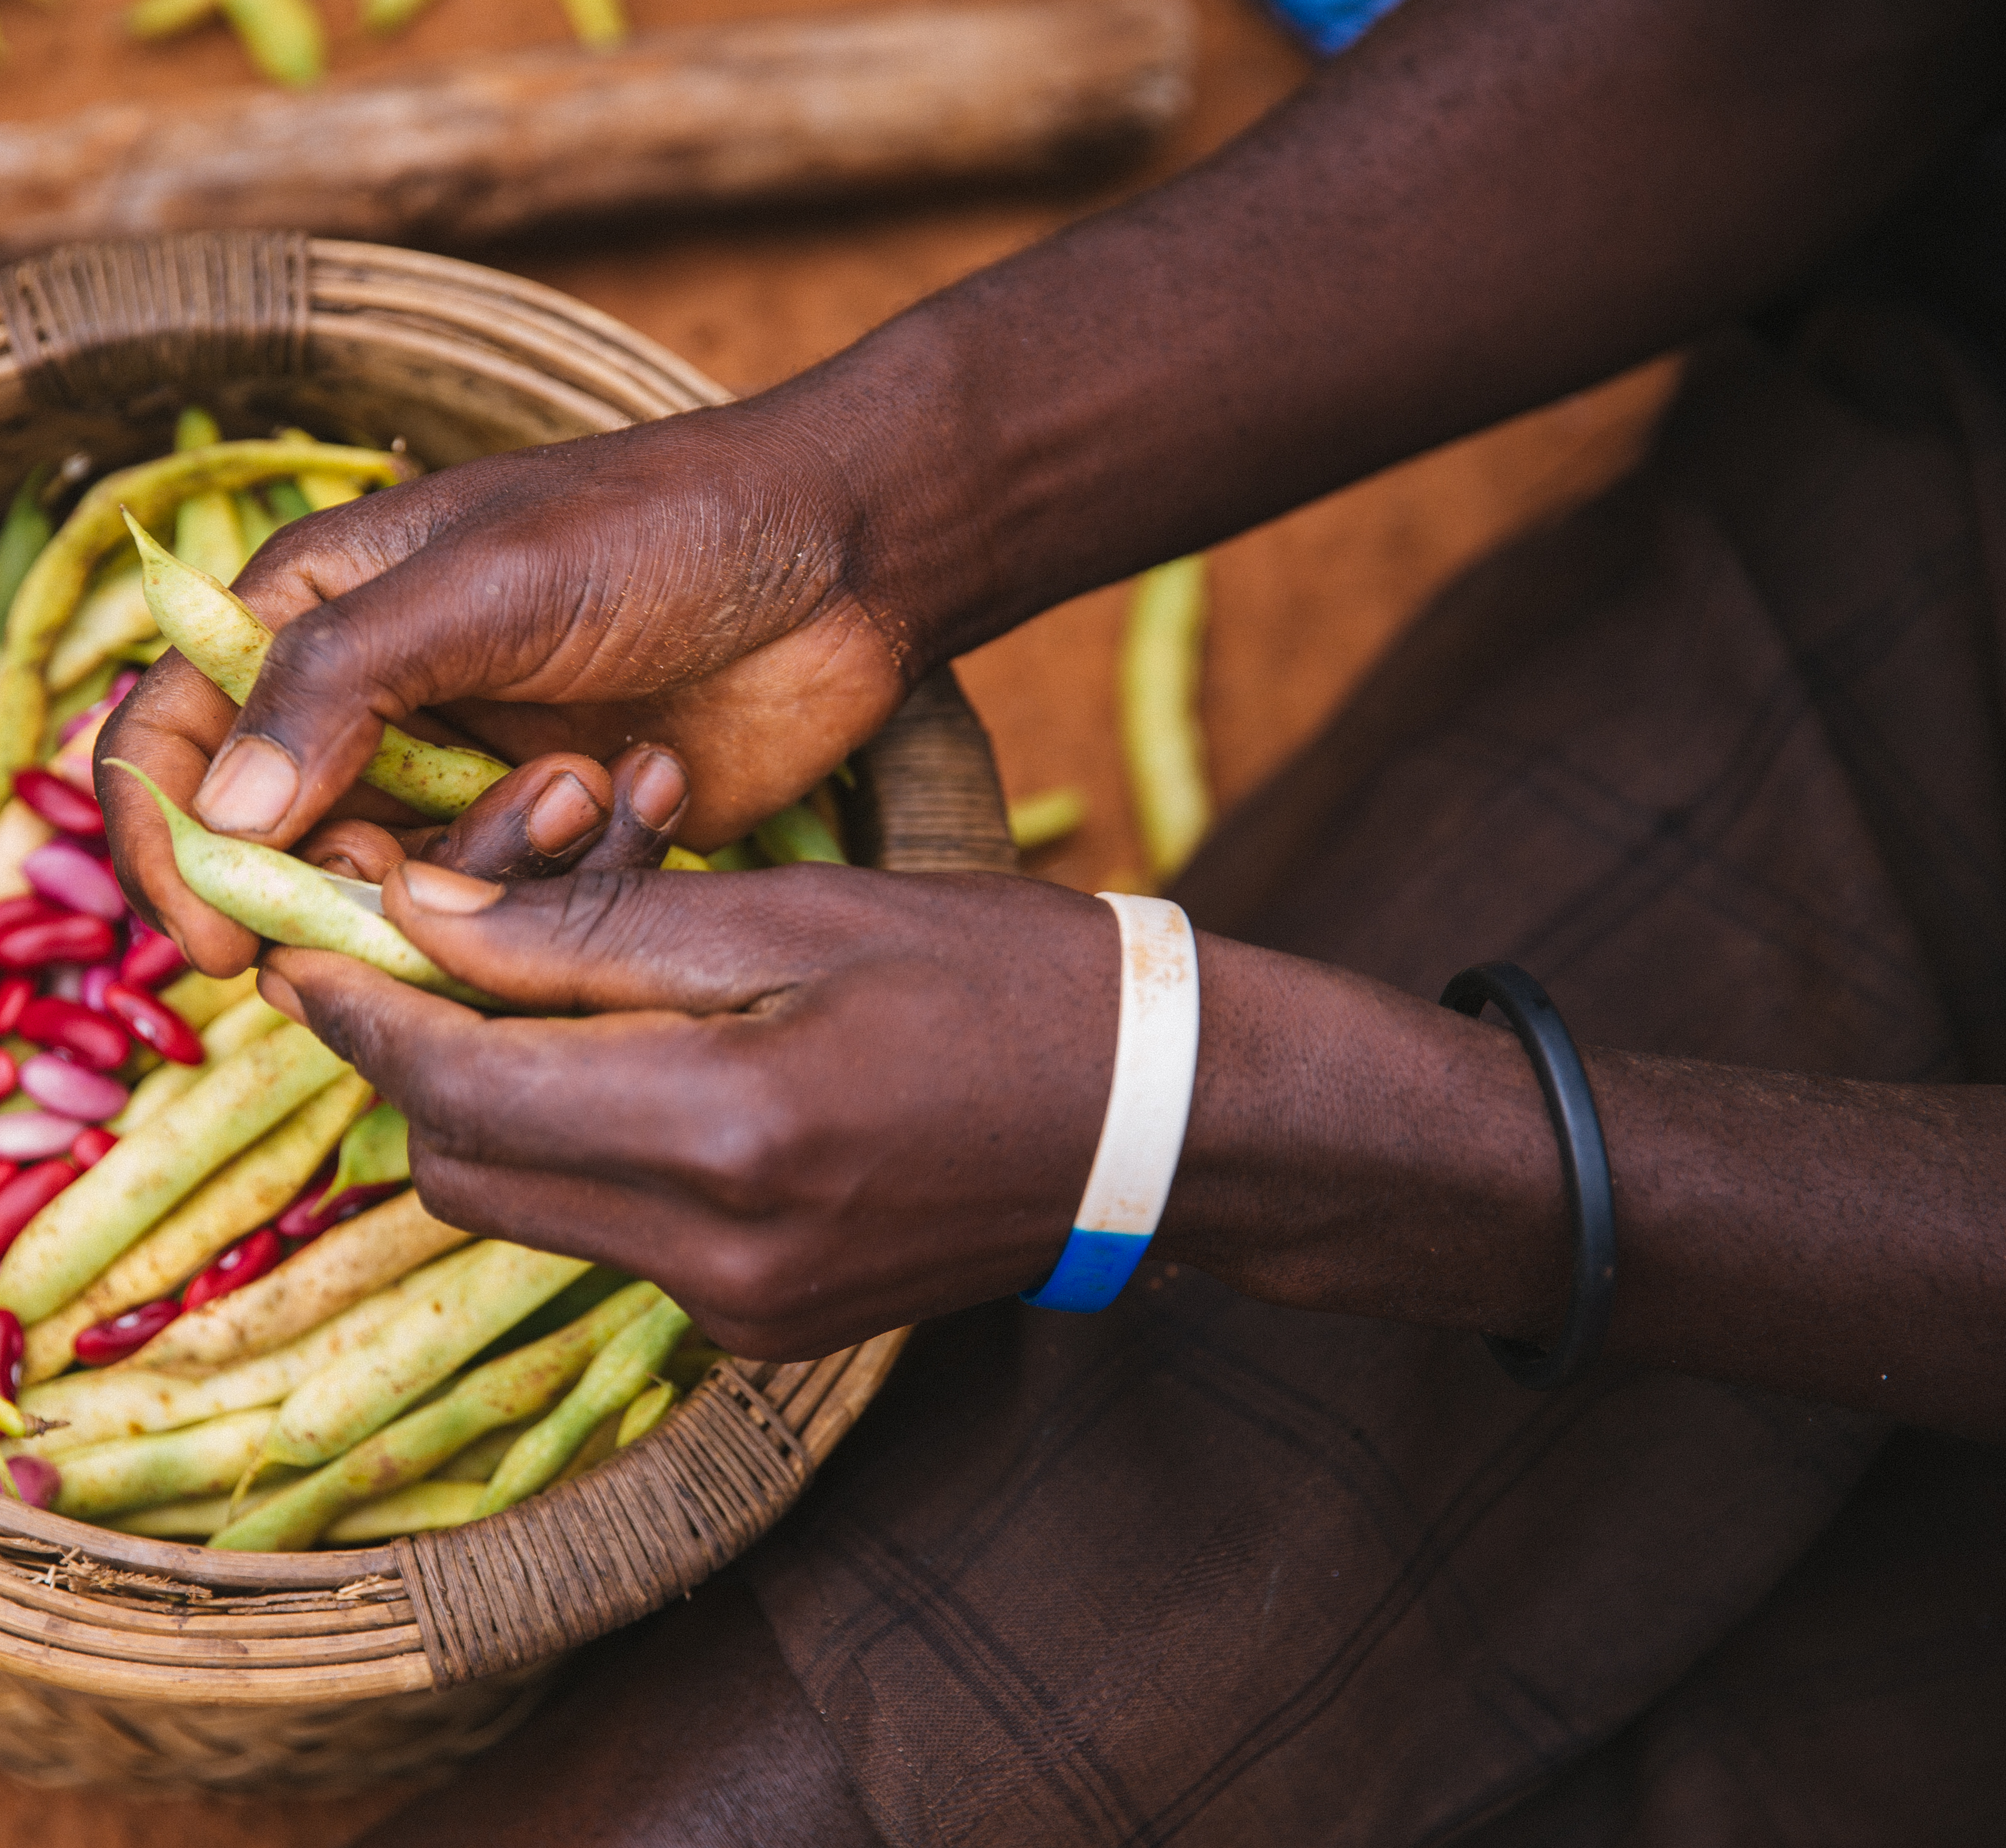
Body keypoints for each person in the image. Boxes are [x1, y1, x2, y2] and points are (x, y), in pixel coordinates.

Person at [98, 0, 2006, 1838]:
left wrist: (1252, 1128)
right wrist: (867, 511)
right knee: (776, 1769)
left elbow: (1264, 1133)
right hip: (1936, 536)